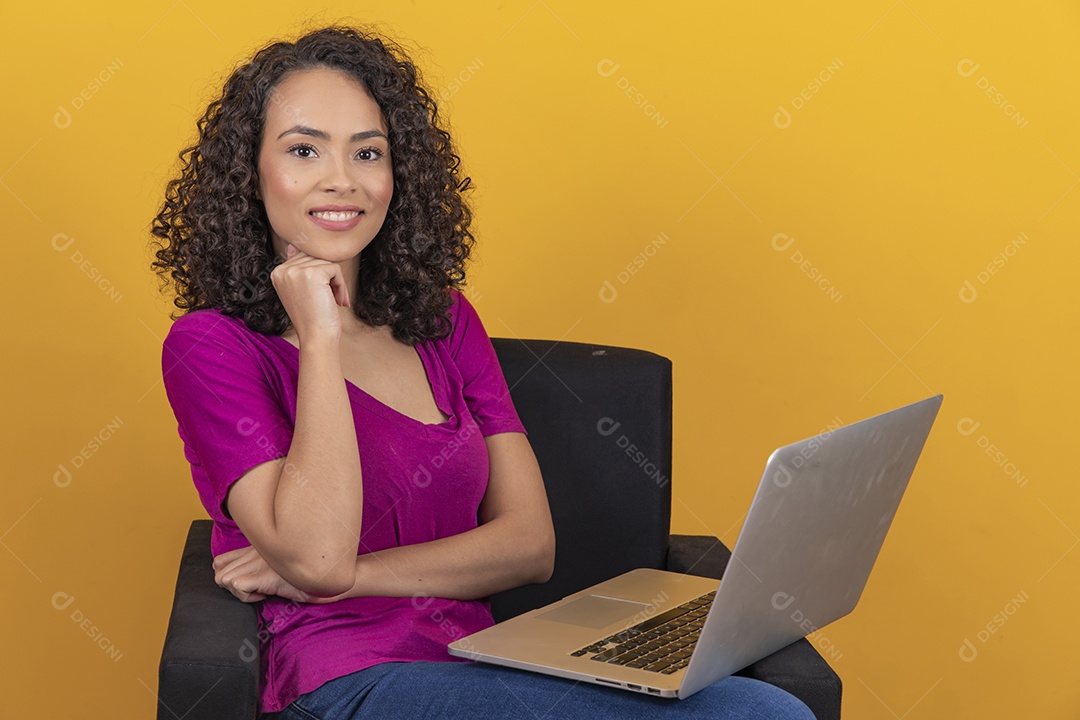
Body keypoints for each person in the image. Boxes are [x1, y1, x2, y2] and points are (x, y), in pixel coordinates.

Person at [150, 24, 816, 720]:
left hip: (481, 665)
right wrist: (318, 334)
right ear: (250, 175)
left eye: (368, 152)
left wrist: (352, 579)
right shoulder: (211, 348)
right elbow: (317, 559)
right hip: (345, 681)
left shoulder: (443, 321)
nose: (341, 179)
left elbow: (529, 546)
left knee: (755, 704)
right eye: (304, 149)